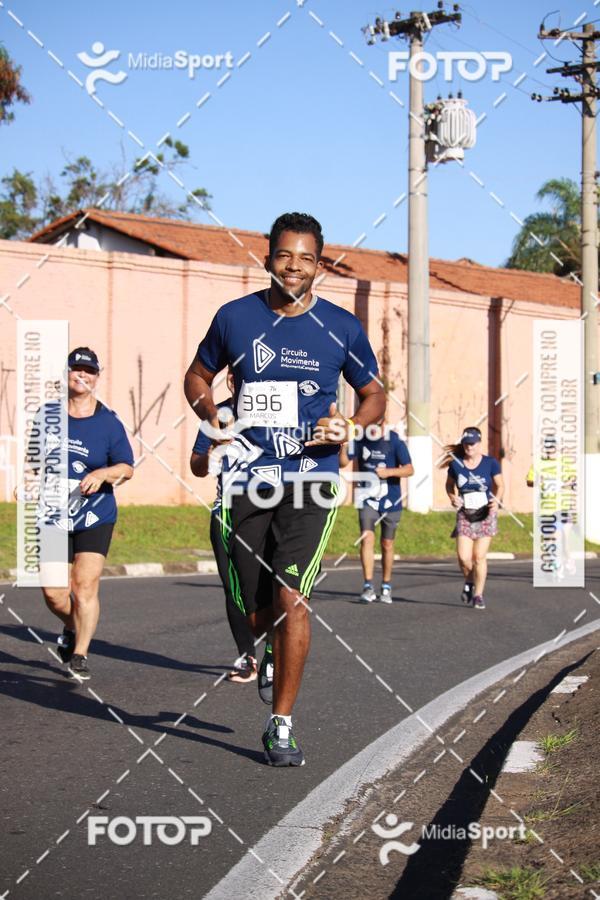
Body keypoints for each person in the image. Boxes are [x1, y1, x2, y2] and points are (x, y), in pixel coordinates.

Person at [184, 212, 385, 766]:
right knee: (252, 605)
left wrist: (351, 424)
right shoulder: (234, 318)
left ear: (319, 264)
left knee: (292, 599)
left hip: (311, 480)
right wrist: (212, 418)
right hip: (246, 477)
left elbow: (374, 395)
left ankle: (281, 725)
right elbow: (196, 377)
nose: (294, 267)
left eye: (306, 258)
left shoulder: (341, 327)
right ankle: (265, 646)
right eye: (284, 256)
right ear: (267, 255)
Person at [40, 348, 134, 680]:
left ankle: (80, 653)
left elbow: (127, 468)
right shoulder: (47, 415)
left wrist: (102, 474)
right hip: (53, 513)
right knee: (53, 592)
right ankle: (72, 625)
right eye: (76, 369)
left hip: (95, 514)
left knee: (84, 586)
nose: (82, 375)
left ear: (97, 377)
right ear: (65, 373)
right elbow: (37, 462)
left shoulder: (108, 422)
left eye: (89, 371)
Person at [190, 371, 259, 683]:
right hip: (226, 511)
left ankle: (273, 649)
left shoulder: (271, 413)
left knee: (267, 587)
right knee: (233, 589)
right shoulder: (216, 416)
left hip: (267, 511)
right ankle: (247, 658)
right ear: (230, 380)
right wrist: (208, 454)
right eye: (236, 376)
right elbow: (196, 467)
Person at [339, 420, 413, 603]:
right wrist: (344, 443)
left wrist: (389, 472)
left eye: (377, 424)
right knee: (367, 538)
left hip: (390, 500)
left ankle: (386, 585)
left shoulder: (394, 441)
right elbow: (342, 463)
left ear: (384, 423)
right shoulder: (360, 439)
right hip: (366, 498)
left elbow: (410, 469)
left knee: (387, 544)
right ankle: (368, 585)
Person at [442, 426, 503, 610]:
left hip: (485, 514)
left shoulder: (490, 463)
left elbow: (500, 485)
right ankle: (469, 579)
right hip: (465, 514)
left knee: (479, 557)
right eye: (466, 444)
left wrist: (497, 501)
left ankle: (478, 595)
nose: (469, 447)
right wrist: (452, 498)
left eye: (472, 444)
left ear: (479, 443)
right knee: (463, 557)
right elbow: (449, 486)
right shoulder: (456, 464)